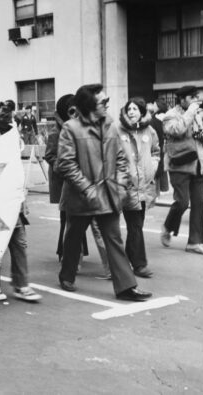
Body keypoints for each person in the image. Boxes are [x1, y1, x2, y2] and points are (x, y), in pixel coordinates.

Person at [57, 83, 152, 301]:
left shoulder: (110, 126)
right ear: (90, 104)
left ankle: (126, 287)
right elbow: (66, 164)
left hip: (108, 194)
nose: (108, 105)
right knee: (73, 237)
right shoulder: (71, 128)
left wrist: (119, 183)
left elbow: (120, 156)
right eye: (104, 101)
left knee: (114, 238)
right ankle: (67, 274)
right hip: (82, 197)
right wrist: (87, 188)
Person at [0, 108, 42, 303]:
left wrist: (22, 202)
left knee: (19, 243)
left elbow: (17, 178)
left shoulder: (10, 148)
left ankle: (21, 285)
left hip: (12, 204)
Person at [45, 94, 110, 279]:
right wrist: (65, 167)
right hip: (69, 185)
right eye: (71, 110)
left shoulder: (91, 128)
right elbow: (51, 156)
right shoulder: (57, 132)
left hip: (91, 185)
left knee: (96, 228)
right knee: (71, 228)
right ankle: (71, 264)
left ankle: (109, 267)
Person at [111, 97, 159, 278]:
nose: (131, 112)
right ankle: (139, 264)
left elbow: (156, 151)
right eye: (129, 108)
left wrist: (153, 166)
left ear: (142, 112)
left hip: (144, 186)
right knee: (135, 225)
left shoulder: (150, 130)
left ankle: (130, 259)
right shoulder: (117, 130)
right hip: (126, 185)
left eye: (135, 109)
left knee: (136, 226)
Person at [161, 85, 203, 255]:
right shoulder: (170, 116)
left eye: (196, 97)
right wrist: (190, 112)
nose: (195, 101)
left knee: (199, 204)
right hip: (179, 165)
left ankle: (194, 242)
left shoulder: (197, 116)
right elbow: (177, 130)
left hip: (198, 164)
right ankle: (168, 226)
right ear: (182, 99)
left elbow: (200, 137)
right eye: (192, 98)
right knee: (182, 202)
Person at [149, 98, 169, 193]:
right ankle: (164, 187)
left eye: (154, 104)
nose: (153, 106)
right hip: (166, 145)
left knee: (157, 166)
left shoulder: (154, 119)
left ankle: (158, 190)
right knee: (163, 166)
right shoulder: (168, 117)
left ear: (158, 106)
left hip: (157, 145)